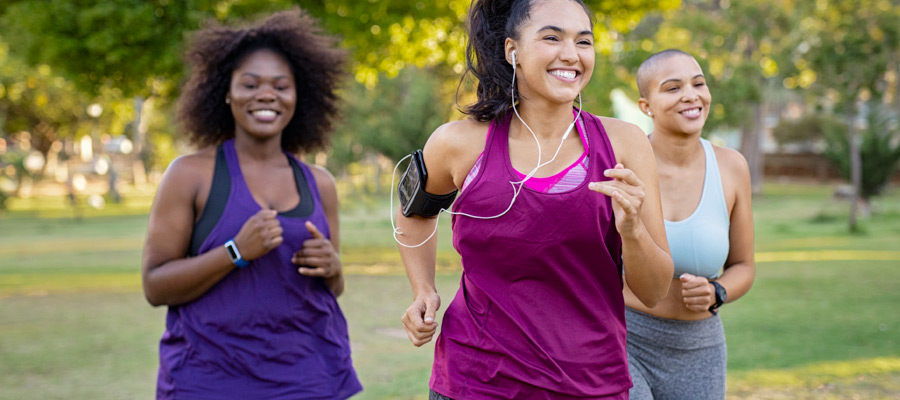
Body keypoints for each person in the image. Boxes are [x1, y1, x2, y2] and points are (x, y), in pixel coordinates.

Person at [394, 0, 674, 398]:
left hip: (590, 383)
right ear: (513, 51)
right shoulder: (458, 143)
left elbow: (654, 290)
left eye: (584, 41)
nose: (571, 54)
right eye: (552, 37)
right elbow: (413, 214)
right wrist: (422, 289)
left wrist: (632, 231)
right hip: (475, 381)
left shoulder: (624, 143)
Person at [141, 9, 362, 399]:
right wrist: (236, 251)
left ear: (298, 96)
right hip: (209, 380)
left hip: (310, 379)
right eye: (250, 84)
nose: (266, 95)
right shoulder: (189, 175)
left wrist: (334, 267)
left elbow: (334, 288)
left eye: (281, 85)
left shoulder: (320, 183)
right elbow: (155, 286)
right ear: (226, 92)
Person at [626, 49, 756, 399]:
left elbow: (743, 266)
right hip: (625, 338)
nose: (691, 94)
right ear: (646, 106)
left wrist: (718, 291)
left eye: (698, 83)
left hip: (700, 347)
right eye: (672, 88)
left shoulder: (732, 166)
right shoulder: (623, 165)